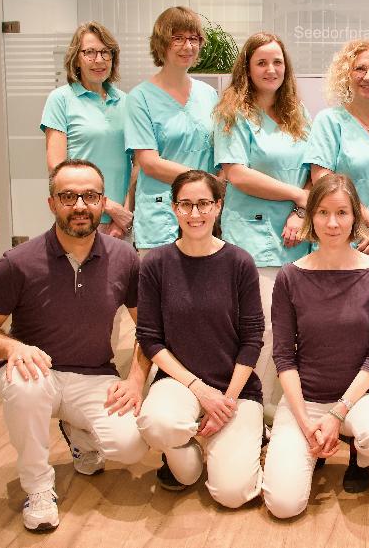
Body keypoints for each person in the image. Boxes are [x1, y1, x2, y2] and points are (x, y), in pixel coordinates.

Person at [0, 159, 149, 531]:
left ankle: (79, 434)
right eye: (68, 197)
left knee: (131, 446)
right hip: (37, 372)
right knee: (27, 388)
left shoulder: (124, 258)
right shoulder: (18, 262)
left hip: (94, 375)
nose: (80, 205)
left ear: (103, 203)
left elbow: (147, 327)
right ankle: (38, 489)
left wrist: (135, 380)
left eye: (90, 196)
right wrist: (12, 348)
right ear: (52, 204)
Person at [263, 174, 369, 518]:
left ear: (355, 217)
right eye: (323, 212)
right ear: (310, 216)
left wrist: (337, 414)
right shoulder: (290, 276)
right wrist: (305, 421)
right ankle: (314, 447)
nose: (332, 223)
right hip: (305, 401)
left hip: (358, 400)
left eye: (341, 212)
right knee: (283, 506)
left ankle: (359, 455)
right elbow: (284, 357)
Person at [135, 170, 265, 508]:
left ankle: (252, 437)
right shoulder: (156, 263)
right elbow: (150, 339)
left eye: (204, 204)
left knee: (232, 494)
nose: (195, 213)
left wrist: (225, 403)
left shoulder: (239, 262)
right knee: (158, 426)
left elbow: (252, 339)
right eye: (186, 204)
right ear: (174, 208)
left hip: (235, 390)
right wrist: (200, 390)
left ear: (218, 206)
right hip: (179, 383)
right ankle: (184, 451)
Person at [214, 32, 312, 417]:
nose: (271, 69)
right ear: (247, 69)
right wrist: (299, 197)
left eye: (277, 62)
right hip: (252, 236)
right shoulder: (233, 114)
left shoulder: (297, 114)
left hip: (296, 237)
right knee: (262, 330)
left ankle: (276, 406)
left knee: (290, 329)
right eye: (261, 63)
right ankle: (250, 407)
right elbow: (237, 174)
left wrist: (301, 211)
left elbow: (315, 170)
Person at [306, 39, 369, 269]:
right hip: (340, 237)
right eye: (360, 69)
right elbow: (322, 178)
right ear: (346, 74)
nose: (368, 77)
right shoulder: (329, 121)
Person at [126, 6, 219, 254]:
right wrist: (208, 182)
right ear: (161, 43)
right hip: (161, 215)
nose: (187, 46)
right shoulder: (140, 98)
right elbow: (149, 163)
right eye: (177, 38)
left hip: (202, 214)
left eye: (193, 38)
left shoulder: (208, 95)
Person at [42, 21, 134, 239]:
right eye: (90, 52)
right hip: (79, 216)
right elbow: (57, 167)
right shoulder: (60, 99)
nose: (99, 60)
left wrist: (123, 215)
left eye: (105, 52)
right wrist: (107, 206)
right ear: (76, 58)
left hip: (120, 223)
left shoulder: (127, 102)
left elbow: (137, 166)